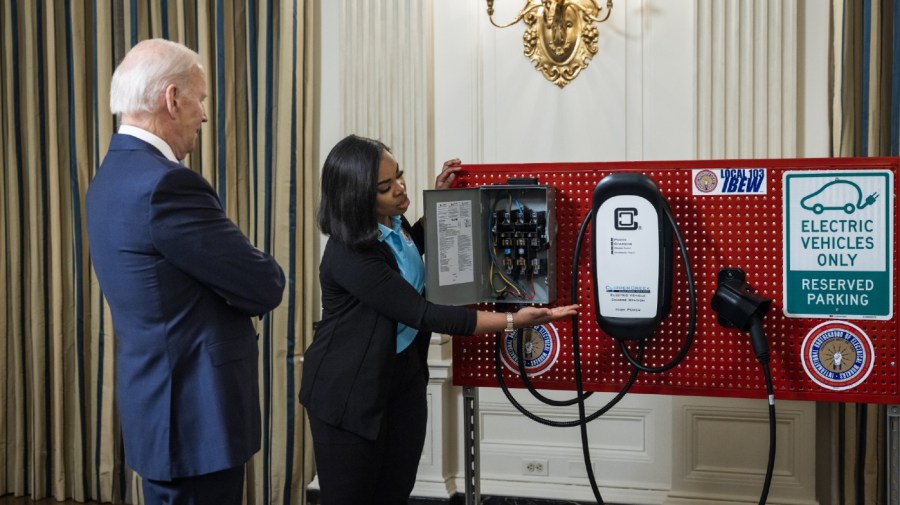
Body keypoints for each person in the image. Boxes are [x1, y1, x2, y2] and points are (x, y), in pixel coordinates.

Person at [299, 134, 578, 504]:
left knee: (395, 491)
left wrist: (438, 201)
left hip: (400, 379)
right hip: (349, 392)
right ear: (357, 198)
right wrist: (514, 322)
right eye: (386, 187)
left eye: (399, 176)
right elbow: (423, 313)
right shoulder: (349, 254)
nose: (401, 188)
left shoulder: (393, 227)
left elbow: (406, 254)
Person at [85, 39, 285, 505]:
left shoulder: (109, 177)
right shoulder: (168, 184)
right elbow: (264, 285)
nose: (205, 115)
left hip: (158, 410)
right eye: (201, 99)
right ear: (172, 99)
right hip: (196, 418)